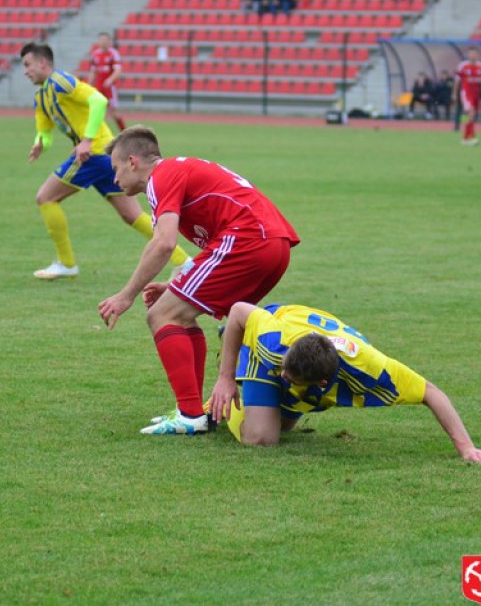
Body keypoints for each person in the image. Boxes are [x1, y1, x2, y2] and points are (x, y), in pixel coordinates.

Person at [97, 126, 300, 436]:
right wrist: (175, 285)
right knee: (181, 313)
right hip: (272, 244)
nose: (114, 179)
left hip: (248, 239)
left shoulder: (161, 177)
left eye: (116, 169)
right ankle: (193, 410)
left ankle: (190, 415)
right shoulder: (177, 171)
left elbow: (163, 244)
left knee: (162, 314)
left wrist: (126, 295)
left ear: (133, 161)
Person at [205, 302, 481, 463]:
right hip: (263, 343)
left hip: (317, 381)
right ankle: (213, 407)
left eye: (289, 377)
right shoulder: (275, 341)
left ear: (321, 381)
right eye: (284, 372)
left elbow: (431, 392)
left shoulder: (372, 371)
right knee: (260, 439)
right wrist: (226, 378)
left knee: (281, 425)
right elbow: (238, 310)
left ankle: (275, 404)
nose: (283, 375)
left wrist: (467, 448)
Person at [20, 43, 191, 280]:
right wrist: (40, 143)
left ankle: (66, 263)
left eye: (28, 65)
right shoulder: (42, 98)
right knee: (132, 215)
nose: (25, 71)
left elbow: (99, 100)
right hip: (107, 158)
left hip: (94, 154)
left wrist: (87, 140)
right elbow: (46, 133)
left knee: (45, 198)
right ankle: (185, 262)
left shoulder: (61, 82)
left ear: (42, 63)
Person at [89, 32, 126, 132]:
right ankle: (99, 134)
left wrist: (110, 80)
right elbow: (93, 71)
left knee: (114, 112)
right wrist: (89, 85)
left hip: (109, 88)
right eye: (101, 40)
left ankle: (124, 132)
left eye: (105, 40)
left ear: (109, 42)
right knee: (98, 111)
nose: (103, 42)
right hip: (98, 87)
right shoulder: (95, 54)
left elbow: (118, 70)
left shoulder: (113, 53)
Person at [453, 47, 481, 146]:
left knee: (471, 116)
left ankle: (466, 139)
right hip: (466, 93)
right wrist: (454, 93)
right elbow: (457, 81)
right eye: (471, 54)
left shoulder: (480, 66)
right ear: (468, 55)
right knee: (471, 113)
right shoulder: (463, 66)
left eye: (474, 54)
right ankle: (471, 138)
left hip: (476, 94)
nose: (473, 56)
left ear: (477, 55)